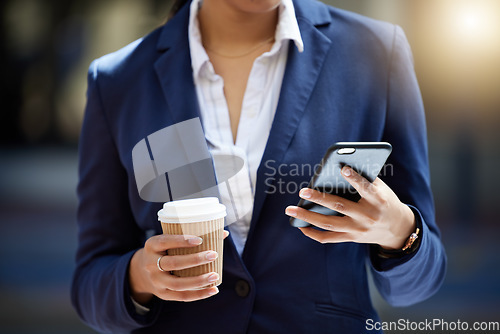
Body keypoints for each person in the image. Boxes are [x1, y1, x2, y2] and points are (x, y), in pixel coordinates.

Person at [71, 0, 447, 332]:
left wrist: (400, 232)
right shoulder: (119, 80)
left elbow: (418, 283)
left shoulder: (377, 51)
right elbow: (90, 281)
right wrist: (140, 276)